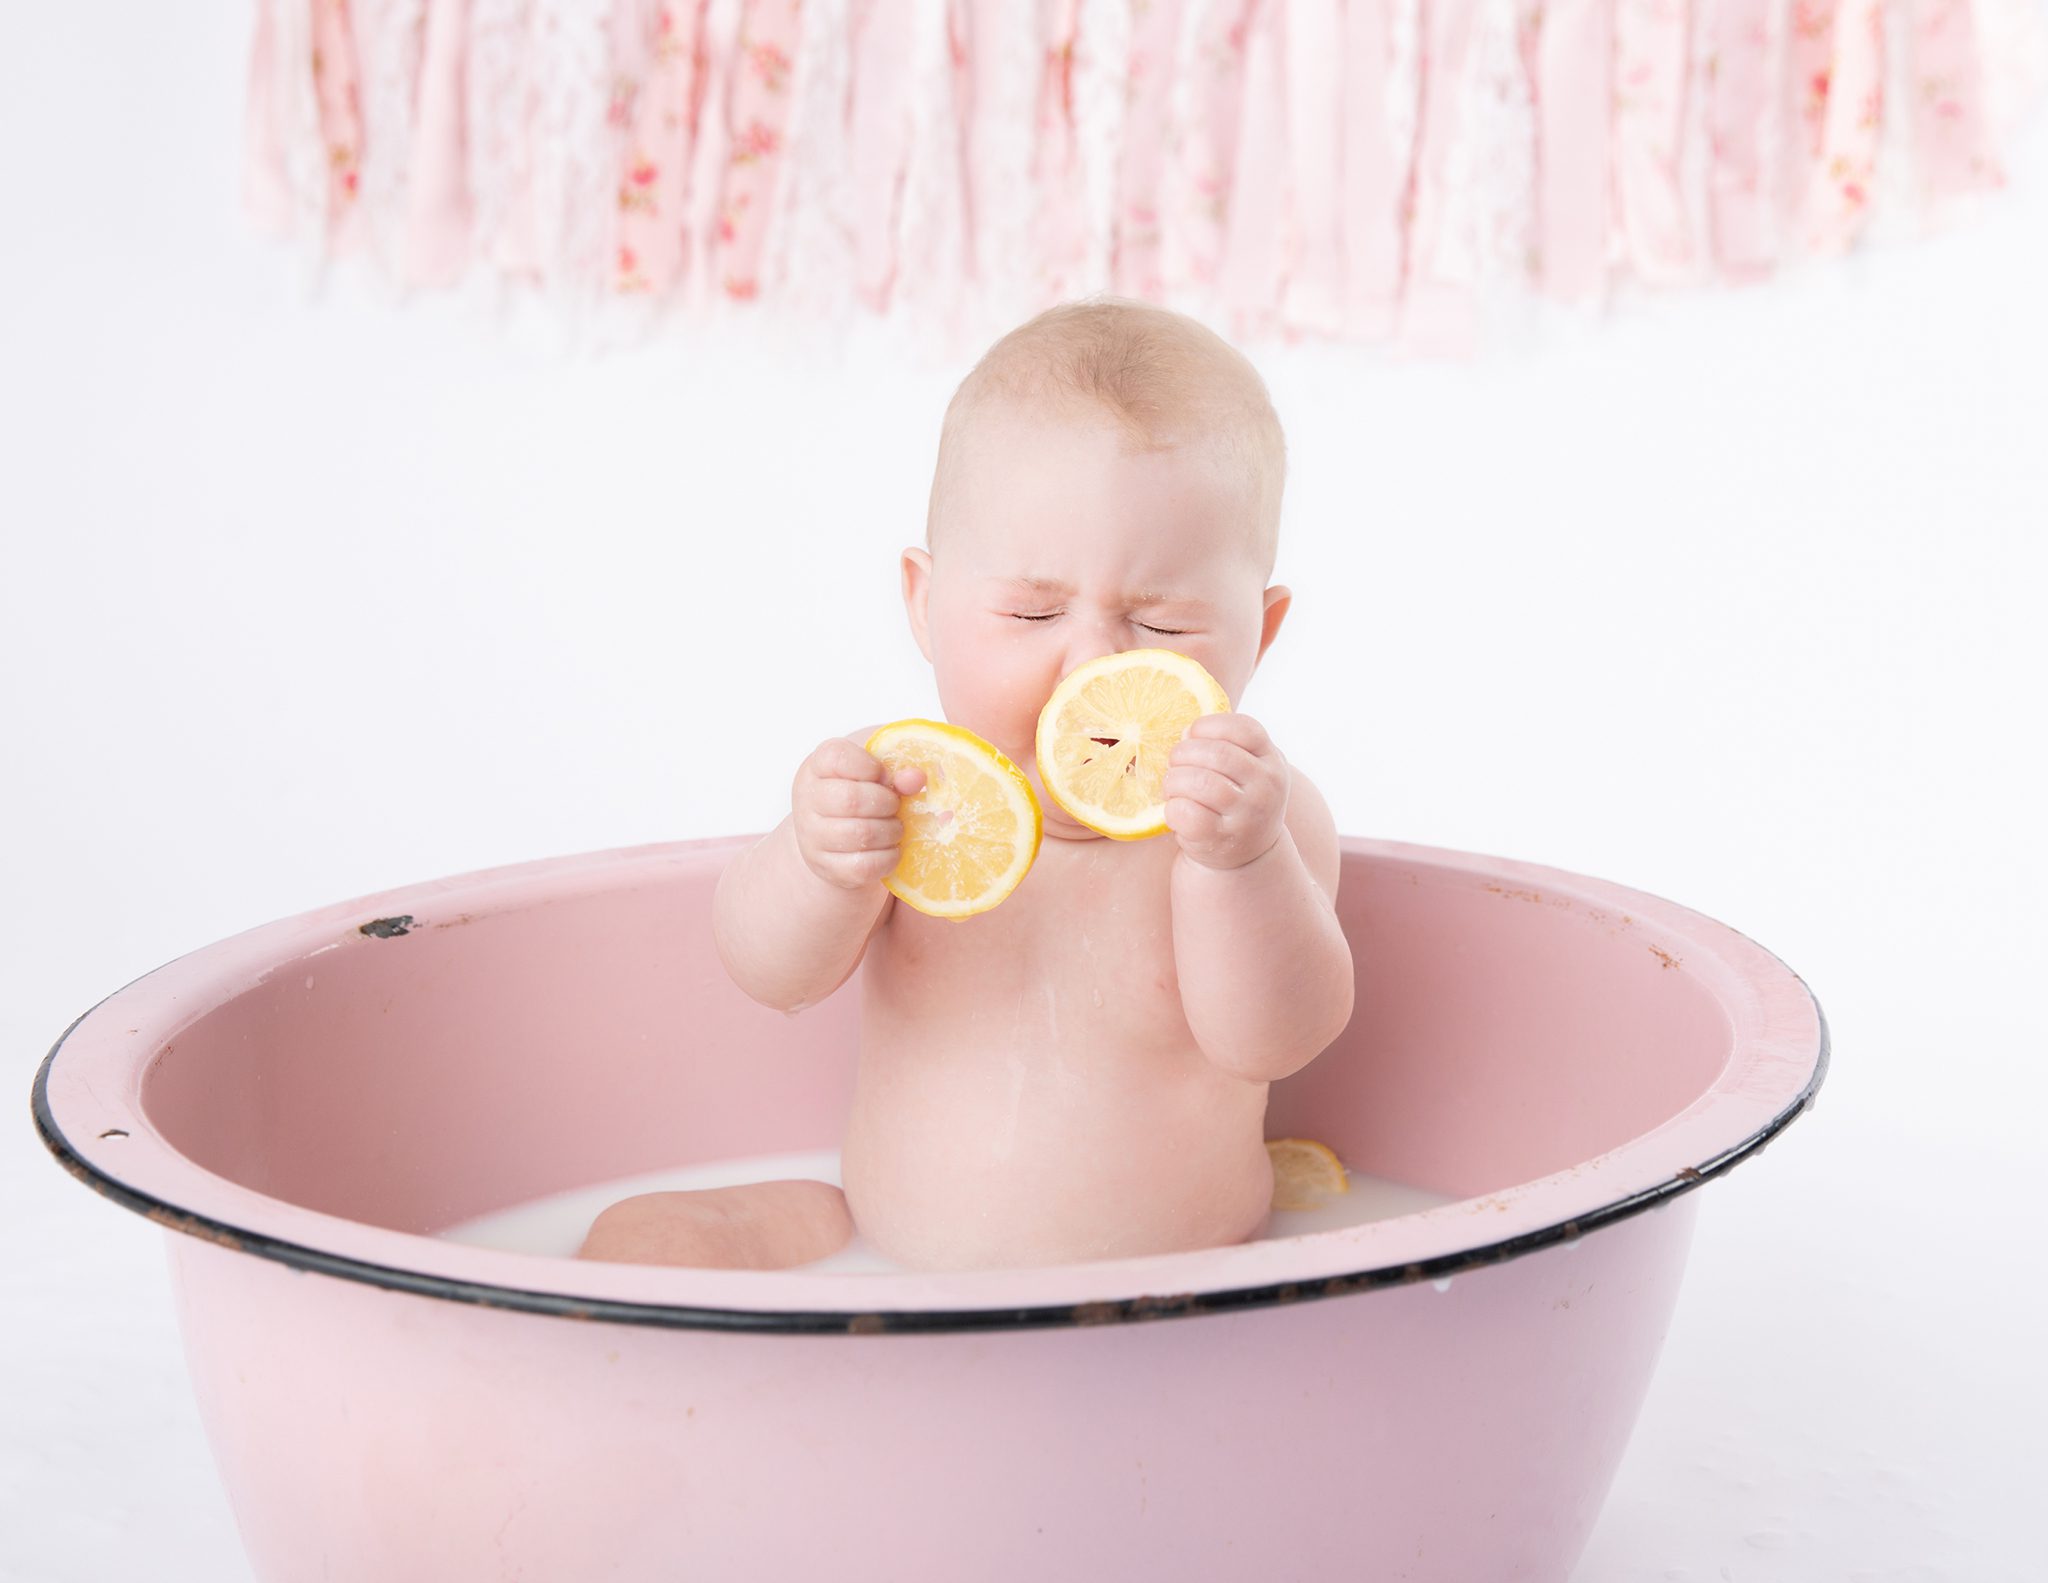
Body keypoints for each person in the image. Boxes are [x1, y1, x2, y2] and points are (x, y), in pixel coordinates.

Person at [576, 296, 1355, 1273]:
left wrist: (1239, 865)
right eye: (1030, 613)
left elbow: (1271, 1039)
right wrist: (821, 863)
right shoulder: (901, 788)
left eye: (1160, 626)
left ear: (1261, 632)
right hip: (883, 1261)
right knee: (638, 1244)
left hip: (1180, 1284)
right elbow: (767, 972)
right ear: (925, 601)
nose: (1088, 666)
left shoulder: (1262, 823)